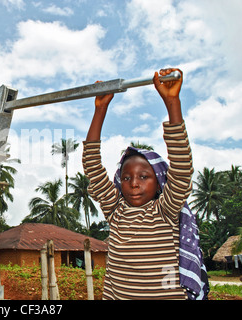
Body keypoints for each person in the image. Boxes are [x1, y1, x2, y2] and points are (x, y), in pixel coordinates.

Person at [82, 68, 208, 300]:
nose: (134, 184)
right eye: (127, 178)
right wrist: (100, 109)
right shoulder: (116, 211)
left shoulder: (166, 211)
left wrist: (172, 102)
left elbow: (181, 169)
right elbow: (92, 165)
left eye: (143, 176)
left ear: (159, 181)